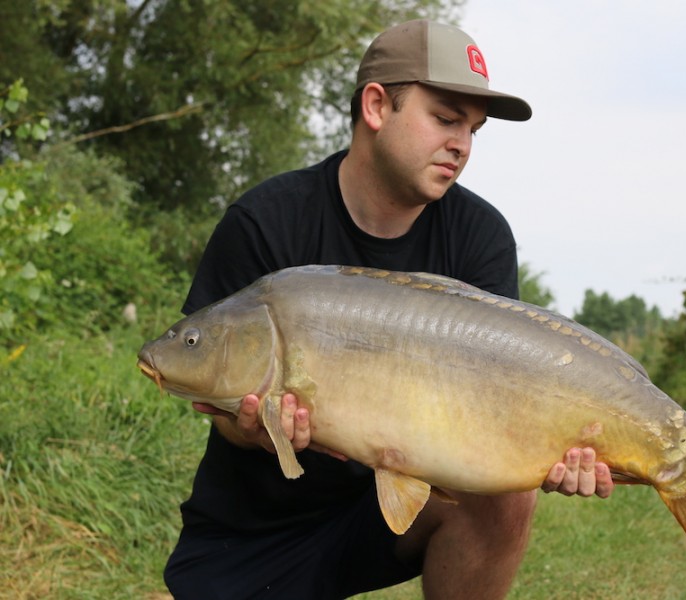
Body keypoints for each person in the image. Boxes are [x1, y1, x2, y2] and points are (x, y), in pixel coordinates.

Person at [163, 19, 614, 600]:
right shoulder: (264, 222)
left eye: (474, 130)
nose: (463, 145)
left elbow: (498, 403)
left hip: (396, 508)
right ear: (376, 106)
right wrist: (252, 428)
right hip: (251, 530)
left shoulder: (481, 237)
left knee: (505, 498)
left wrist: (550, 452)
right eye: (446, 119)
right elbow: (221, 402)